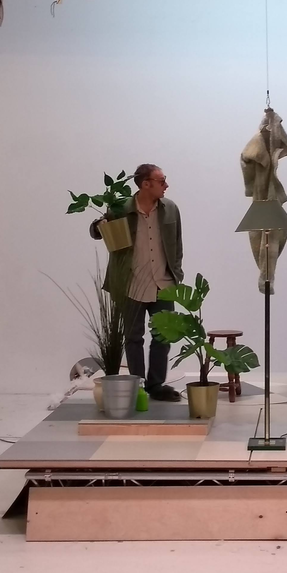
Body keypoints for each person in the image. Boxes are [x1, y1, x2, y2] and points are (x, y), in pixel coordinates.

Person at [90, 164, 184, 402]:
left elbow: (177, 244)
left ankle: (156, 385)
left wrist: (177, 274)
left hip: (163, 284)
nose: (166, 185)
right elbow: (97, 231)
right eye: (161, 181)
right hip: (130, 284)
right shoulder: (120, 208)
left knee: (163, 337)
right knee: (133, 338)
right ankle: (138, 385)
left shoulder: (171, 209)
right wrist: (99, 224)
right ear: (146, 184)